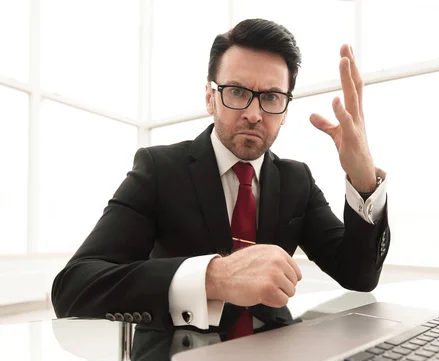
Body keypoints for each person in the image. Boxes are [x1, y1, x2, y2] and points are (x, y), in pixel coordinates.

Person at [51, 18, 390, 337]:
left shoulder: (296, 179)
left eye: (271, 97)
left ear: (285, 110)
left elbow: (359, 275)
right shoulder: (159, 168)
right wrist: (213, 277)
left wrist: (363, 179)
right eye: (237, 92)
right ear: (210, 97)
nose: (254, 114)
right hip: (175, 358)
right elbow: (75, 287)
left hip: (276, 351)